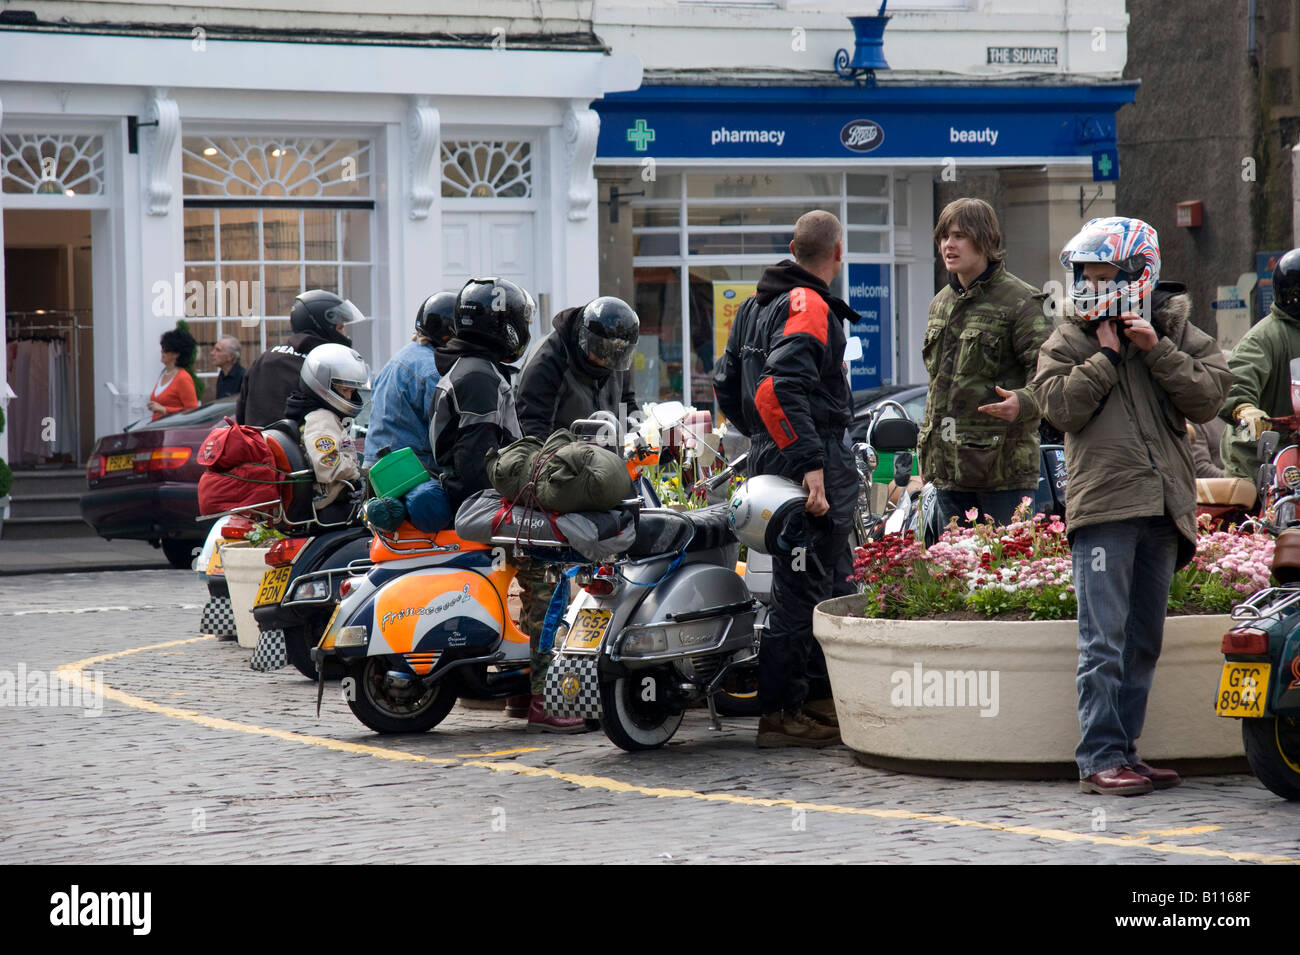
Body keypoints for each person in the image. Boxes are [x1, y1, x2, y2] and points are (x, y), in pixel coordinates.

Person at [1033, 216, 1231, 796]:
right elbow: (1059, 408)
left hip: (1163, 509)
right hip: (1105, 513)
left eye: (1104, 276)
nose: (1093, 288)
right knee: (1103, 640)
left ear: (1139, 276)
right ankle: (1098, 756)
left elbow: (1211, 395)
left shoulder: (1175, 330)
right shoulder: (1069, 336)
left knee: (1143, 640)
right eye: (1086, 277)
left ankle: (1127, 750)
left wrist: (1156, 349)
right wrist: (1108, 358)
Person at [713, 209, 856, 748]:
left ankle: (820, 701)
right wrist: (809, 464)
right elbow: (776, 389)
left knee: (826, 583)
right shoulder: (807, 304)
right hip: (808, 462)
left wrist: (763, 442)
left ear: (793, 248)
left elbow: (729, 385)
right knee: (802, 591)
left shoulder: (754, 305)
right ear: (836, 254)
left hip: (773, 458)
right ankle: (780, 714)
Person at [429, 277, 586, 734]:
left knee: (533, 582)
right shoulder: (477, 376)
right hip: (481, 501)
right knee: (548, 579)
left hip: (477, 497)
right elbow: (479, 458)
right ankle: (545, 698)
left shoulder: (473, 368)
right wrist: (521, 494)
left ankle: (520, 690)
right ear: (504, 326)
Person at [512, 296, 640, 720]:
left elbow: (630, 406)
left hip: (600, 481)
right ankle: (543, 698)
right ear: (585, 337)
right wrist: (568, 468)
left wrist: (640, 430)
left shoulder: (616, 354)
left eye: (617, 355)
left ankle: (537, 685)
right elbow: (531, 438)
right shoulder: (546, 364)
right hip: (553, 484)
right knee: (548, 585)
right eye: (601, 352)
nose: (607, 362)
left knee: (599, 581)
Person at [918, 198, 1052, 530]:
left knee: (1003, 573)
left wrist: (1022, 402)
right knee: (953, 575)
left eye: (960, 235)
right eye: (944, 236)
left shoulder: (1021, 302)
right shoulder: (941, 304)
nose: (949, 244)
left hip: (1002, 474)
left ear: (986, 240)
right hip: (948, 473)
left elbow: (1050, 377)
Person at [1219, 248, 1300, 479]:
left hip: (1294, 458)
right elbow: (1236, 377)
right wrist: (1245, 408)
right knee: (1261, 513)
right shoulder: (1264, 337)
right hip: (1257, 461)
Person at [237, 290, 365, 428]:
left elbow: (241, 414)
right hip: (305, 446)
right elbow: (341, 414)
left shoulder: (264, 358)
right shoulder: (322, 365)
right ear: (324, 326)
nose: (344, 334)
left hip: (257, 445)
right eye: (340, 328)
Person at [362, 291, 456, 471]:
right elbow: (443, 437)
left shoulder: (402, 356)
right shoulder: (432, 370)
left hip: (378, 466)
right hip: (410, 472)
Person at [283, 343, 368, 523]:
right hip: (331, 505)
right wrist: (358, 471)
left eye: (351, 391)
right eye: (344, 390)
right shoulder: (321, 418)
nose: (348, 398)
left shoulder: (311, 412)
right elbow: (327, 465)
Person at [149, 328, 200, 421]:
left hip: (173, 431)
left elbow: (192, 410)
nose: (161, 352)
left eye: (165, 349)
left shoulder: (183, 378)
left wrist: (164, 410)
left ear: (176, 354)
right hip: (158, 430)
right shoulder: (163, 374)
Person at [212, 336, 245, 400]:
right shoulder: (222, 375)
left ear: (231, 356)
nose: (212, 353)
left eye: (218, 350)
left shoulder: (244, 377)